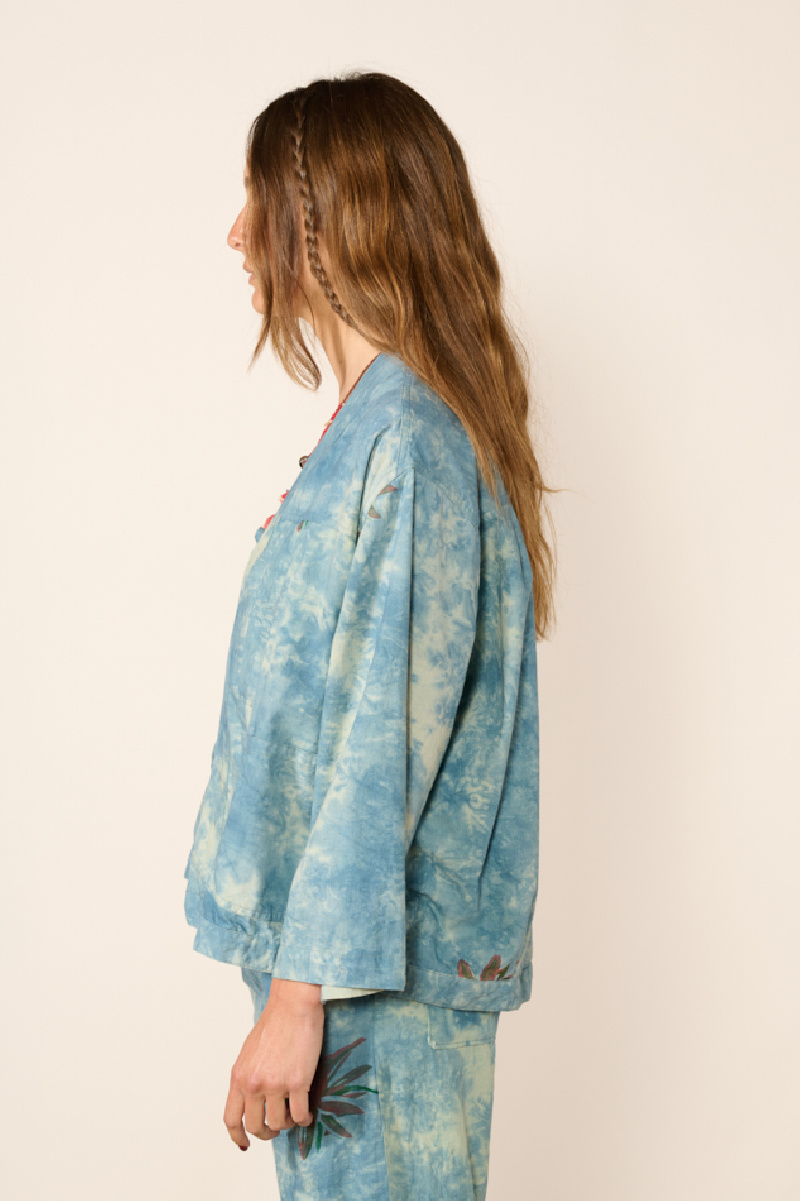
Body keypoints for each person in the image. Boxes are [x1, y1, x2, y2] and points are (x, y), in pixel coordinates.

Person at [182, 70, 557, 1200]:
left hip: (367, 993)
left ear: (324, 219)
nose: (236, 233)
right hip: (351, 979)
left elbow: (377, 742)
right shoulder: (381, 429)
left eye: (257, 200)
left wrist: (300, 996)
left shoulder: (410, 438)